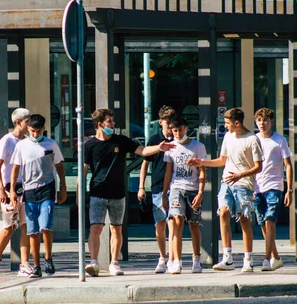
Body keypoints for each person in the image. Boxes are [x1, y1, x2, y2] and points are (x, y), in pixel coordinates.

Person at [81, 108, 175, 277]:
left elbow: (143, 151)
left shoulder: (121, 141)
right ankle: (94, 262)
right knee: (96, 227)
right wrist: (80, 195)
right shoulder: (89, 145)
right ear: (100, 124)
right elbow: (83, 170)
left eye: (113, 121)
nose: (113, 124)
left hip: (118, 193)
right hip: (97, 193)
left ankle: (114, 262)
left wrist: (159, 148)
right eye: (110, 121)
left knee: (116, 229)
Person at [188, 107, 263, 273]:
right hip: (226, 182)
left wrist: (240, 175)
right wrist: (200, 162)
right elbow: (222, 160)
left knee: (244, 219)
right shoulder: (228, 137)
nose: (226, 126)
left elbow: (258, 167)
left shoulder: (252, 139)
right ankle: (228, 258)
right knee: (223, 213)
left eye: (228, 123)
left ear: (237, 123)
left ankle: (248, 259)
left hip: (244, 183)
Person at [10, 114, 67, 278]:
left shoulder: (51, 144)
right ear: (28, 128)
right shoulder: (22, 146)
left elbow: (59, 166)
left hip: (47, 190)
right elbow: (15, 169)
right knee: (32, 231)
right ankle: (36, 265)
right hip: (29, 192)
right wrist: (13, 190)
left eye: (39, 131)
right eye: (33, 131)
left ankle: (48, 258)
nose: (35, 134)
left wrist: (63, 187)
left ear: (44, 129)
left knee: (46, 227)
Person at [0, 108, 30, 278]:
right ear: (19, 122)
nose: (29, 124)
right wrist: (1, 189)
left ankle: (24, 264)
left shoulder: (27, 141)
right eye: (27, 120)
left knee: (26, 226)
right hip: (9, 187)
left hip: (25, 187)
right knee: (9, 227)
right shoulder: (7, 141)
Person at [162, 116, 207, 274]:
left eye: (180, 130)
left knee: (194, 225)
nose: (178, 133)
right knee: (177, 222)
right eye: (175, 131)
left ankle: (196, 259)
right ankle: (176, 261)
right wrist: (164, 193)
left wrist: (201, 192)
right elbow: (168, 171)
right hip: (176, 188)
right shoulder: (170, 147)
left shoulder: (198, 146)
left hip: (193, 188)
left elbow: (202, 171)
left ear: (186, 129)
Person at [252, 108, 293, 271]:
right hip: (256, 187)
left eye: (265, 121)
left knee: (270, 220)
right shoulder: (253, 139)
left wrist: (289, 190)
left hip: (274, 186)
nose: (262, 124)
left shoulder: (279, 140)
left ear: (272, 122)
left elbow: (288, 165)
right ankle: (276, 257)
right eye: (259, 121)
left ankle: (266, 258)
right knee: (262, 223)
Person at [138, 105, 175, 274]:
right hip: (158, 185)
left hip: (176, 185)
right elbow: (145, 162)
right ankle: (162, 257)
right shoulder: (154, 139)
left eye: (172, 122)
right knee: (160, 223)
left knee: (174, 223)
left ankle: (174, 258)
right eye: (167, 122)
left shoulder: (178, 137)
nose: (170, 126)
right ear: (160, 122)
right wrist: (141, 187)